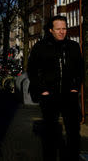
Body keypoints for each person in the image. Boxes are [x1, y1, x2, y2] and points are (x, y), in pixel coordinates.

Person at [28, 15, 84, 161]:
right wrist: (43, 90)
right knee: (50, 133)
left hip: (69, 95)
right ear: (51, 30)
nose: (62, 32)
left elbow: (80, 70)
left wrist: (75, 88)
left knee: (73, 132)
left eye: (64, 28)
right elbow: (32, 71)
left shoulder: (73, 46)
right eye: (58, 29)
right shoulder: (40, 47)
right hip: (49, 96)